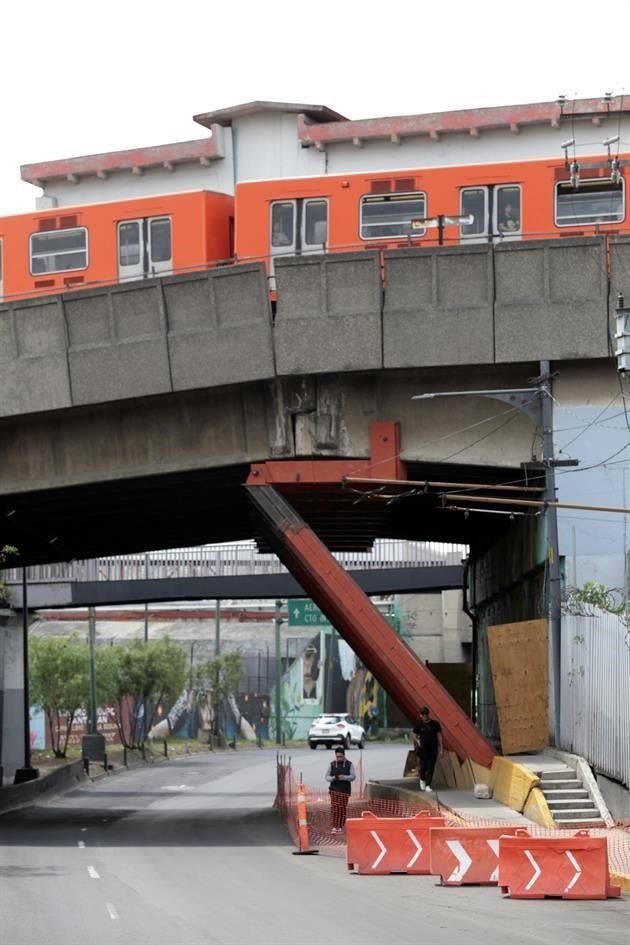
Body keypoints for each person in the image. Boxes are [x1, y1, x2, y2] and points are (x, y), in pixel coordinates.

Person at [325, 746, 356, 833]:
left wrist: (344, 777)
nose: (339, 758)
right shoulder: (331, 764)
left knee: (342, 808)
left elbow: (353, 777)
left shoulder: (349, 764)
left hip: (345, 791)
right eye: (337, 756)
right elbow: (326, 777)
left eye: (340, 757)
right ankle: (334, 826)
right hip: (334, 790)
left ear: (344, 755)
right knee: (335, 808)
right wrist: (333, 778)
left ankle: (341, 826)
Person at [412, 706, 443, 793]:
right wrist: (417, 744)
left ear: (428, 714)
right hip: (423, 749)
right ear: (420, 715)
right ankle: (422, 779)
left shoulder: (435, 724)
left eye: (426, 714)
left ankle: (428, 785)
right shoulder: (419, 725)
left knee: (431, 767)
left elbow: (439, 736)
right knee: (423, 766)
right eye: (423, 714)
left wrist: (441, 748)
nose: (425, 716)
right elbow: (414, 735)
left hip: (433, 748)